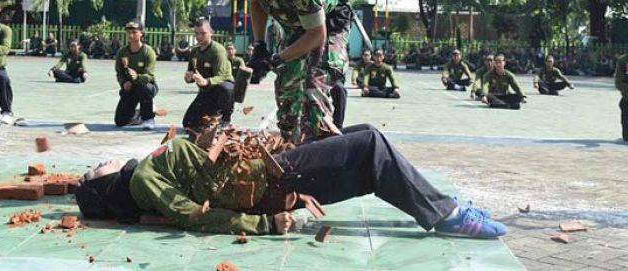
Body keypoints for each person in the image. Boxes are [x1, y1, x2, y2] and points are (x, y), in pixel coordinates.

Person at [74, 124, 506, 238]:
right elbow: (192, 216)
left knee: (362, 133)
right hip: (268, 182)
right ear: (104, 186)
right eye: (95, 170)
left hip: (268, 159)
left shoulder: (149, 163)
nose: (101, 161)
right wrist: (264, 224)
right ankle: (447, 214)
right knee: (370, 147)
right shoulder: (142, 180)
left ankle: (430, 201)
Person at [237, 0, 352, 141]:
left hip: (328, 24)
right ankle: (291, 148)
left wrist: (276, 59)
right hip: (295, 27)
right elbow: (256, 3)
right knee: (286, 87)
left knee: (314, 83)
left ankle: (322, 145)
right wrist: (260, 45)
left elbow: (317, 35)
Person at [182, 20, 235, 129]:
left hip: (220, 89)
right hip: (206, 92)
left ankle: (225, 118)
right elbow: (191, 73)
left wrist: (206, 81)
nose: (199, 36)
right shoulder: (194, 52)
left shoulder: (217, 50)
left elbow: (221, 76)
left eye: (203, 33)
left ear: (211, 33)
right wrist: (188, 78)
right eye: (196, 33)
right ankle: (211, 117)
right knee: (188, 124)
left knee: (226, 88)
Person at [114, 20, 159, 130]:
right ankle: (137, 114)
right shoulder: (122, 52)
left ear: (141, 33)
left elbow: (150, 76)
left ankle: (148, 118)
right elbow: (119, 73)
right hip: (130, 87)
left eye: (134, 32)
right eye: (128, 32)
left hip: (146, 86)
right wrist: (123, 83)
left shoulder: (148, 52)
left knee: (144, 89)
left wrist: (137, 77)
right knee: (120, 121)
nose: (131, 35)